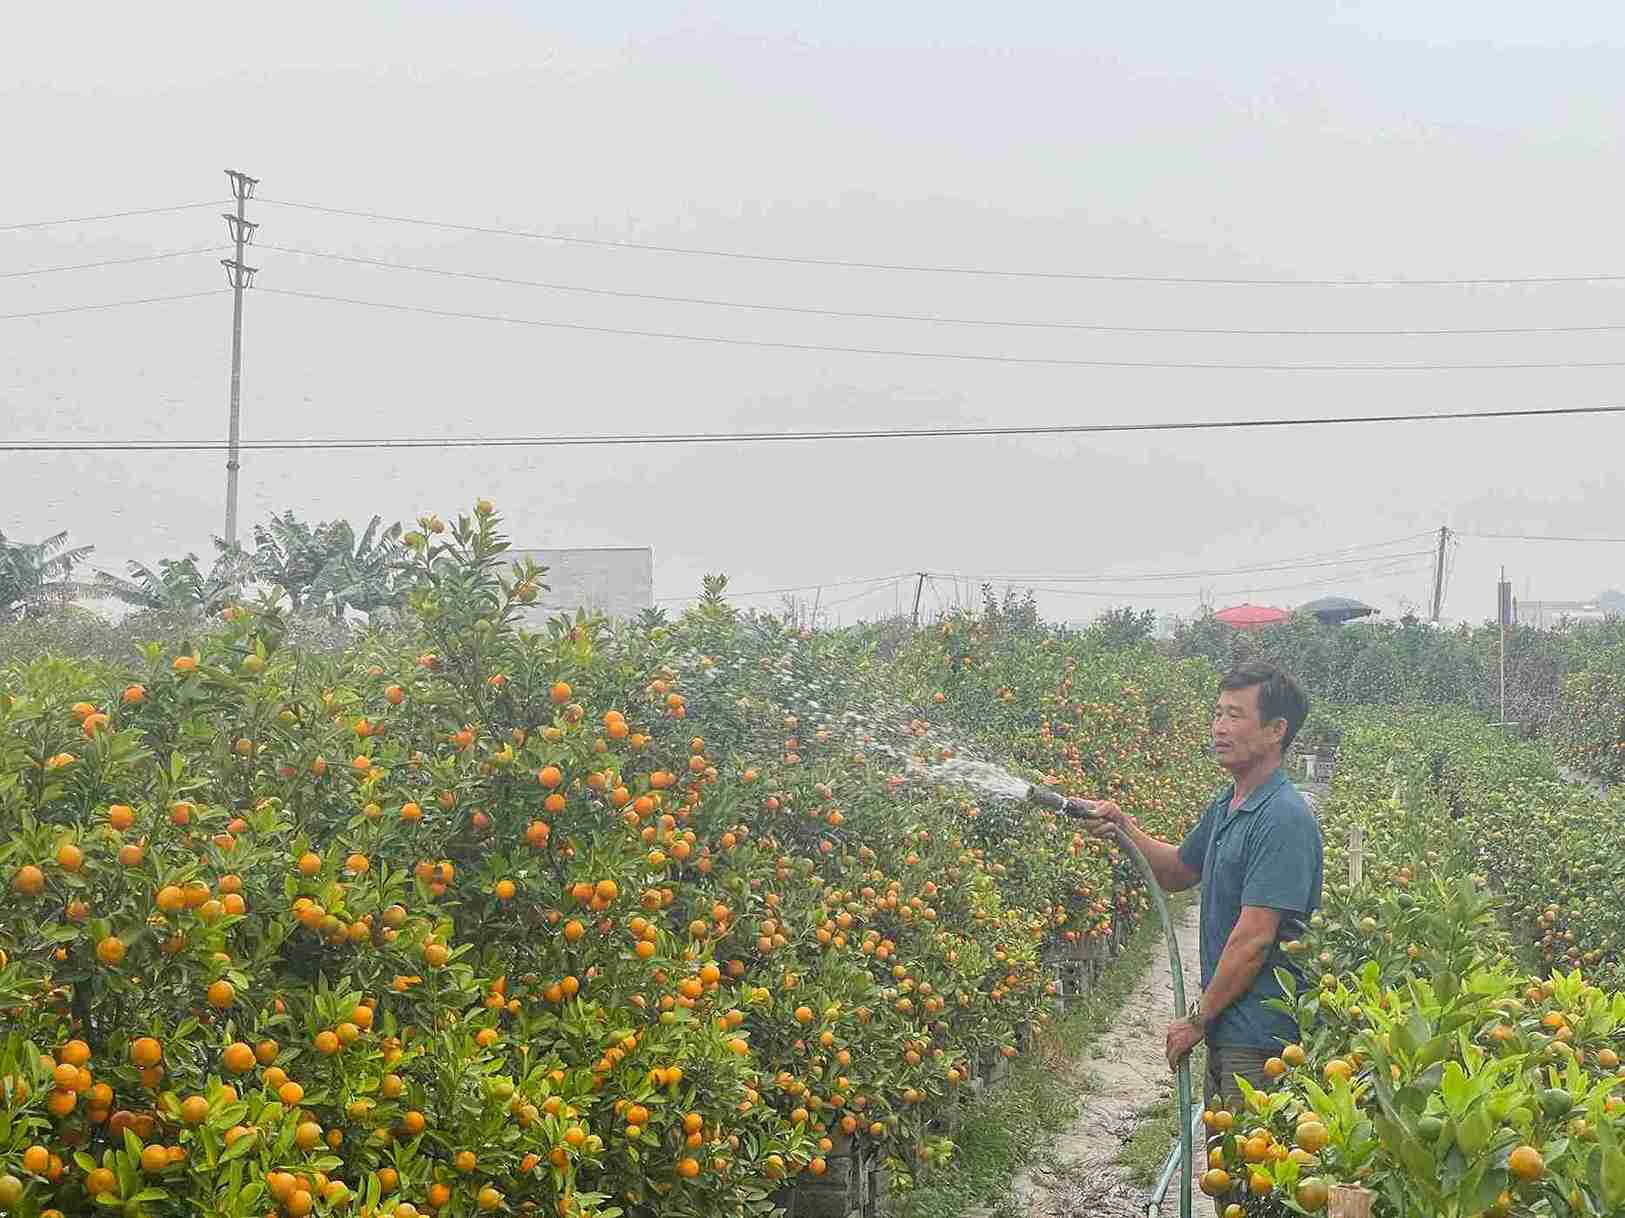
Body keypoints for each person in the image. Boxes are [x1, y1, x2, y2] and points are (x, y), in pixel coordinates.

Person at [1083, 661, 1321, 1159]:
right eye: (1217, 713)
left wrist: (1198, 1018)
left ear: (1276, 731)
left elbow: (1254, 938)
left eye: (1234, 715)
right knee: (1228, 1181)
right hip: (1230, 1033)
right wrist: (1123, 826)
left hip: (1261, 1042)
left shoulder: (1283, 819)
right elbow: (1176, 871)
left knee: (1252, 1188)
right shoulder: (1230, 803)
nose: (1218, 727)